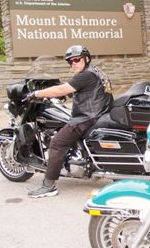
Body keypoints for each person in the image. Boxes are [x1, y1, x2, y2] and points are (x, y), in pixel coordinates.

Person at [26, 45, 113, 198]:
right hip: (100, 113)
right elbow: (87, 91)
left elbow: (62, 89)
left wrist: (37, 93)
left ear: (86, 58)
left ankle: (48, 186)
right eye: (70, 61)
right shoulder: (95, 71)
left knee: (57, 143)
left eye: (77, 60)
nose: (74, 63)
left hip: (87, 117)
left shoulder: (86, 75)